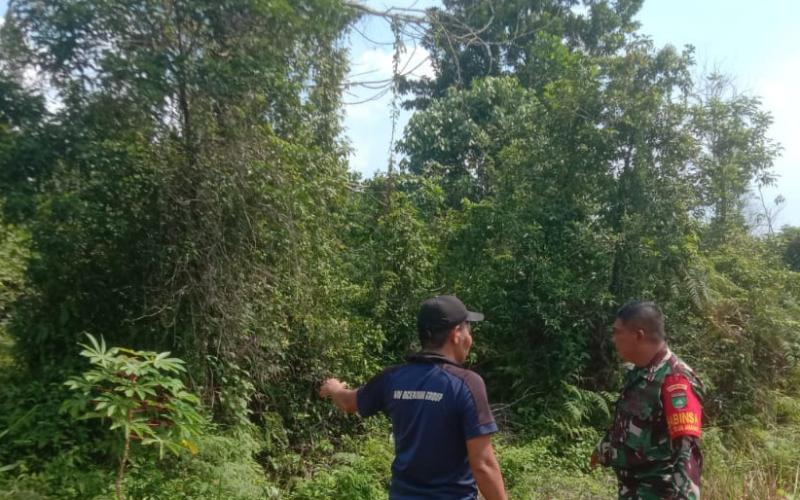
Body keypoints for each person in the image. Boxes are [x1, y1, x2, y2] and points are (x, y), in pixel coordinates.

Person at [319, 295, 507, 500]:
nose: (471, 338)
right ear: (456, 334)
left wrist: (333, 388)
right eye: (468, 330)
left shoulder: (392, 378)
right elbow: (483, 465)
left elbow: (348, 402)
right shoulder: (466, 384)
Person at [592, 301, 704, 500]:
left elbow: (686, 451)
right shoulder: (639, 372)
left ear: (638, 336)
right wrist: (604, 448)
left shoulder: (675, 381)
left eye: (617, 332)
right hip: (632, 490)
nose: (613, 339)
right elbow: (632, 420)